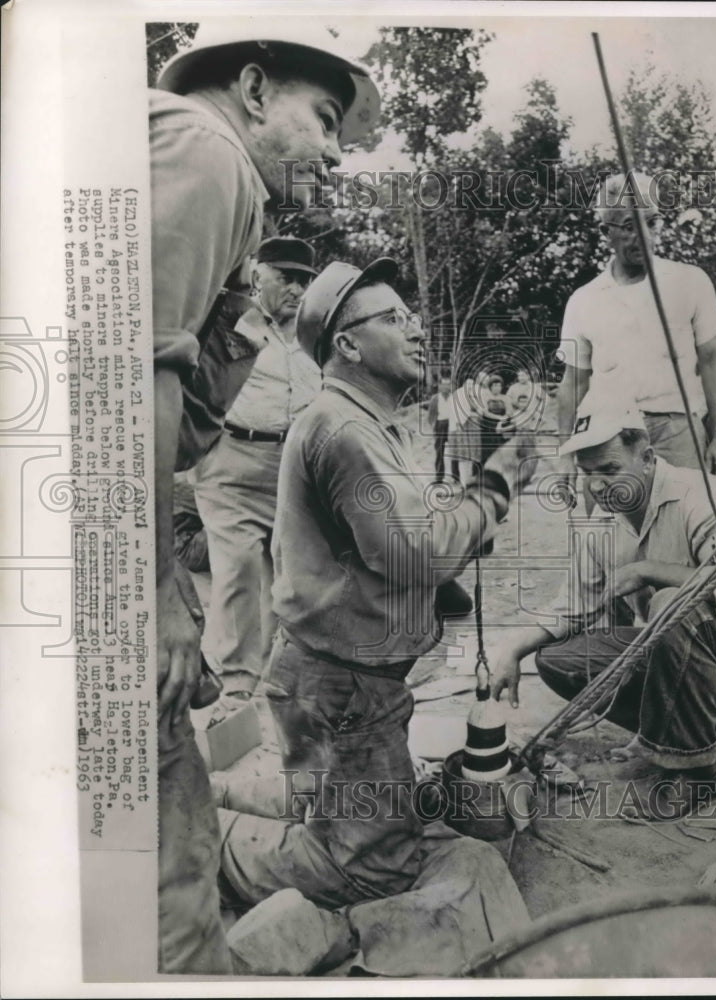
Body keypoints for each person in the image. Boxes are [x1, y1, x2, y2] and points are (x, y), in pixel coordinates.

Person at [149, 23, 379, 974]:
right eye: (325, 117)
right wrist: (155, 590)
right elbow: (120, 380)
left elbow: (182, 407)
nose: (333, 148)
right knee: (170, 873)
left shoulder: (193, 163)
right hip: (107, 556)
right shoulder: (209, 154)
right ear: (252, 86)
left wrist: (238, 319)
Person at [216, 257, 531, 924]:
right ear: (348, 345)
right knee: (371, 871)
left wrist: (473, 503)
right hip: (342, 687)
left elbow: (402, 535)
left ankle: (220, 798)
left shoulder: (366, 421)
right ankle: (204, 841)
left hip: (337, 680)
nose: (416, 330)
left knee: (335, 804)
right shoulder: (345, 429)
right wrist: (494, 490)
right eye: (393, 319)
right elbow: (415, 552)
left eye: (412, 317)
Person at [493, 389, 716, 820]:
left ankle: (697, 771)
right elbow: (574, 605)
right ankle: (672, 732)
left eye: (609, 468)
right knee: (559, 658)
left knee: (669, 603)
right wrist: (513, 648)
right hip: (680, 668)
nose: (598, 484)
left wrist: (650, 571)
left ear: (646, 456)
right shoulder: (602, 520)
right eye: (588, 473)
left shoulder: (702, 496)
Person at [194, 237, 321, 706]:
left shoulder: (314, 335)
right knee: (238, 568)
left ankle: (273, 672)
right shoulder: (226, 321)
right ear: (257, 274)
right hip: (233, 458)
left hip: (292, 467)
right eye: (286, 276)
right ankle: (235, 683)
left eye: (305, 279)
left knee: (291, 576)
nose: (296, 288)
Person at [557, 172, 716, 505]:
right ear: (605, 232)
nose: (643, 235)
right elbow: (572, 383)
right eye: (627, 225)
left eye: (651, 222)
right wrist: (565, 453)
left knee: (686, 532)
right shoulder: (584, 299)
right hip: (607, 435)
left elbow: (714, 362)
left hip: (678, 432)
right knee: (609, 543)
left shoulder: (690, 282)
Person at [427, 375, 453, 481]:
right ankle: (439, 476)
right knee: (440, 451)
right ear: (440, 386)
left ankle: (456, 476)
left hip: (452, 425)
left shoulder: (454, 398)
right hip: (440, 424)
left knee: (455, 451)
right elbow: (431, 415)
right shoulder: (435, 398)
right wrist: (433, 426)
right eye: (444, 384)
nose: (446, 387)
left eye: (448, 385)